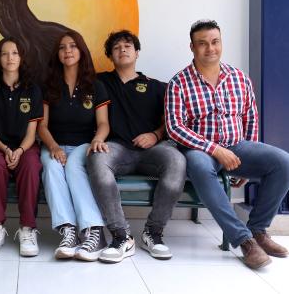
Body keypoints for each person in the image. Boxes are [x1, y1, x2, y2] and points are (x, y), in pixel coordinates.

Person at [165, 19, 289, 269]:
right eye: (202, 43)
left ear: (221, 43)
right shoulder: (178, 82)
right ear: (192, 47)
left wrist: (247, 162)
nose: (210, 48)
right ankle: (244, 241)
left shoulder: (239, 78)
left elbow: (250, 118)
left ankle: (258, 230)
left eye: (215, 42)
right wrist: (214, 149)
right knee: (200, 167)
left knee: (284, 163)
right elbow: (174, 127)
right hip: (200, 150)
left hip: (237, 146)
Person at [87, 30, 186, 263]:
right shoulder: (99, 82)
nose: (122, 49)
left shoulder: (157, 86)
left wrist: (155, 134)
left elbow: (171, 121)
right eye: (116, 47)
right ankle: (121, 236)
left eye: (128, 46)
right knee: (97, 158)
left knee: (177, 160)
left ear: (137, 52)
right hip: (116, 148)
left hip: (152, 151)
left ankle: (153, 232)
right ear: (110, 56)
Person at [38, 30, 110, 261]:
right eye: (62, 47)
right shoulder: (49, 86)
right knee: (51, 167)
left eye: (72, 46)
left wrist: (98, 139)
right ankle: (68, 231)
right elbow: (42, 126)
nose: (67, 51)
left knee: (73, 167)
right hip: (54, 144)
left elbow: (103, 123)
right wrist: (53, 147)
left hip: (84, 144)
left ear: (81, 51)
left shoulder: (95, 86)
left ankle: (93, 231)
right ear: (57, 54)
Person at [0, 37, 43, 257]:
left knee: (31, 166)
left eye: (15, 53)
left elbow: (32, 133)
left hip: (25, 147)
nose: (10, 58)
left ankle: (28, 228)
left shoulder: (33, 90)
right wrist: (6, 149)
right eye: (5, 53)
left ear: (22, 57)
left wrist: (20, 150)